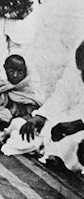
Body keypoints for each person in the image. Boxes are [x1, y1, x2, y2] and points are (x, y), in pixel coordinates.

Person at [18, 40, 84, 173]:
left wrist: (78, 124)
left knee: (74, 143)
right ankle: (54, 153)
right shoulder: (76, 69)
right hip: (77, 115)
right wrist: (41, 116)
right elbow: (62, 95)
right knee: (41, 130)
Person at [0, 54, 43, 141]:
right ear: (5, 69)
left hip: (22, 123)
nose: (15, 75)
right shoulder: (4, 86)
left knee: (17, 125)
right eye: (11, 71)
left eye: (20, 72)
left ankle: (0, 135)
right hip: (5, 122)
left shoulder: (28, 89)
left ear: (25, 72)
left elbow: (33, 115)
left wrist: (12, 121)